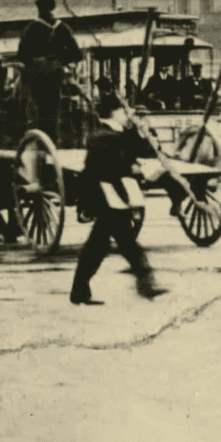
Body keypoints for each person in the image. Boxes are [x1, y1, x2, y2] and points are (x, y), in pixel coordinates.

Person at [69, 89, 164, 305]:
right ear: (114, 112)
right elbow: (117, 161)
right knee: (125, 244)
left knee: (99, 246)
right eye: (124, 110)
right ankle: (146, 285)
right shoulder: (101, 136)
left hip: (112, 196)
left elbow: (139, 150)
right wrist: (137, 163)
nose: (127, 114)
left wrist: (143, 136)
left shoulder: (115, 134)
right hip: (104, 196)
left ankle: (79, 291)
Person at [17, 0, 80, 144]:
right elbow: (76, 54)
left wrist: (36, 60)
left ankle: (36, 140)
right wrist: (58, 60)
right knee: (53, 108)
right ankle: (53, 140)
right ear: (53, 7)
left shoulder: (31, 28)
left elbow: (22, 55)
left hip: (36, 73)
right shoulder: (62, 27)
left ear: (37, 6)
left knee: (35, 107)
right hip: (56, 72)